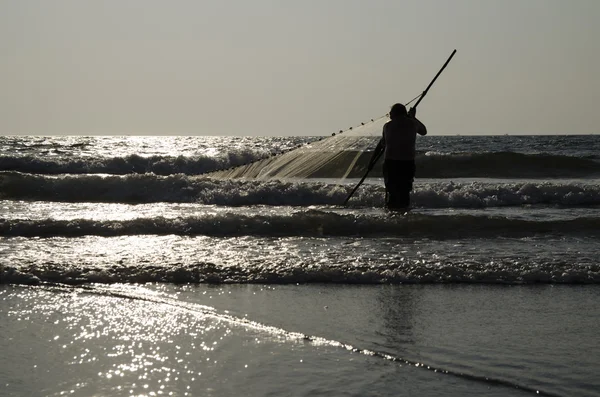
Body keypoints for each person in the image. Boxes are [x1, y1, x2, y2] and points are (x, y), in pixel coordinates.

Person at [371, 103, 427, 210]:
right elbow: (423, 131)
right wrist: (413, 118)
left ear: (394, 113)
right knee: (404, 191)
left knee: (391, 191)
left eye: (391, 113)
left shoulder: (387, 126)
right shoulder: (412, 123)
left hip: (391, 163)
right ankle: (403, 212)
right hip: (407, 163)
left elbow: (382, 144)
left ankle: (391, 212)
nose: (389, 115)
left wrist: (372, 161)